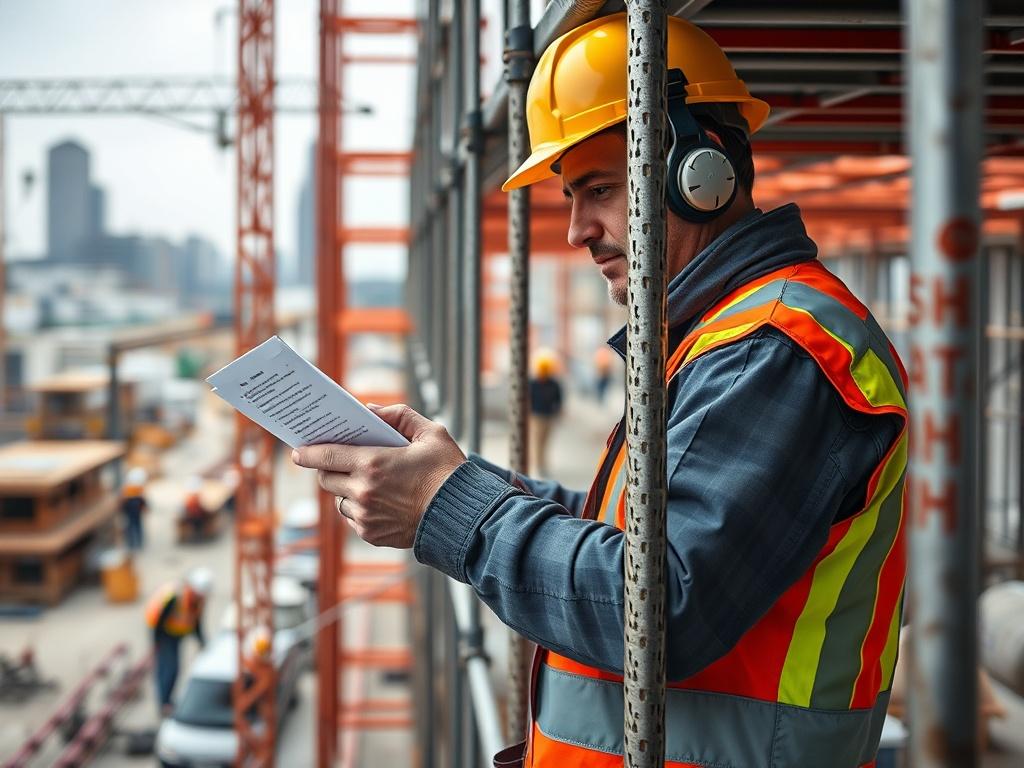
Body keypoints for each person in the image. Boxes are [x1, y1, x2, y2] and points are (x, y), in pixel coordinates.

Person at [292, 14, 908, 767]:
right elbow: (639, 537)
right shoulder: (716, 335)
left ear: (699, 174)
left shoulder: (776, 349)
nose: (578, 230)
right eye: (570, 198)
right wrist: (460, 481)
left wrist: (445, 509)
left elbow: (662, 607)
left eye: (600, 190)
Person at [145, 567, 212, 715]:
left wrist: (202, 642)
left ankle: (167, 700)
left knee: (175, 668)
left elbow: (196, 622)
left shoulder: (199, 599)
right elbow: (158, 621)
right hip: (165, 634)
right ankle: (164, 703)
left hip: (177, 633)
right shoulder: (175, 597)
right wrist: (156, 643)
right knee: (168, 668)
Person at [528, 349, 563, 477]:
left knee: (545, 441)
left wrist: (558, 412)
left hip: (548, 416)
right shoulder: (533, 383)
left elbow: (558, 400)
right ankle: (539, 465)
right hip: (536, 416)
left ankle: (542, 464)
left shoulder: (554, 384)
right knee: (537, 442)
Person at [120, 467, 148, 550]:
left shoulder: (129, 488)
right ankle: (136, 543)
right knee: (135, 526)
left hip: (132, 509)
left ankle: (134, 543)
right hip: (134, 509)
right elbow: (142, 500)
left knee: (132, 526)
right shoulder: (133, 488)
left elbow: (124, 501)